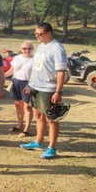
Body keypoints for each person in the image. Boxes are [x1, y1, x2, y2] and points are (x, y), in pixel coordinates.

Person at [20, 23, 67, 159]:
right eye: (35, 33)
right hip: (36, 87)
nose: (36, 36)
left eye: (39, 34)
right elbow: (36, 68)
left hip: (49, 89)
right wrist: (30, 84)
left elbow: (61, 72)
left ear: (48, 33)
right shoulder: (41, 47)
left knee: (52, 119)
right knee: (39, 116)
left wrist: (58, 91)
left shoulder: (57, 48)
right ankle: (38, 141)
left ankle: (52, 148)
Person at [4, 40, 34, 138]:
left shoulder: (35, 59)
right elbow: (11, 71)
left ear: (32, 49)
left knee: (27, 107)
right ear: (21, 49)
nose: (27, 50)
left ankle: (27, 129)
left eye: (29, 48)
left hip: (28, 84)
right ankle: (20, 125)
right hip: (16, 82)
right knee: (18, 106)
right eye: (24, 48)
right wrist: (1, 76)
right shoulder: (16, 58)